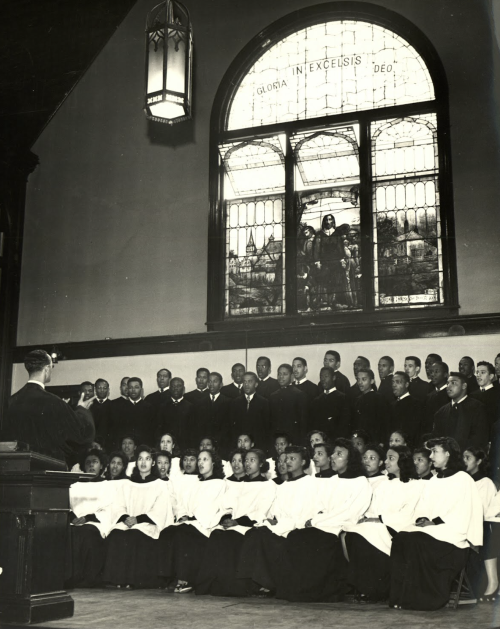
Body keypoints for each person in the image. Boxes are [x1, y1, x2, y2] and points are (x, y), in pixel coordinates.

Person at [389, 436, 483, 610]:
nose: (431, 456)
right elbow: (422, 507)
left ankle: (425, 599)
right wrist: (422, 519)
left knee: (418, 542)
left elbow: (462, 512)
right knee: (401, 538)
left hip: (453, 536)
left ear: (447, 454)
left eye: (435, 452)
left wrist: (434, 522)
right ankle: (400, 598)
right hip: (433, 530)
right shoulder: (434, 480)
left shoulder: (463, 479)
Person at [275, 439, 372, 602]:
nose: (333, 457)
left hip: (344, 524)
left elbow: (350, 511)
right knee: (296, 537)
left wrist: (319, 521)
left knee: (315, 540)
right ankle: (297, 590)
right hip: (324, 523)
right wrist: (316, 518)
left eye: (339, 454)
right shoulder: (333, 481)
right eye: (333, 453)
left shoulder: (360, 482)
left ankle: (319, 591)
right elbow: (320, 505)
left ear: (350, 459)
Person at [236, 446, 323, 597]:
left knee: (262, 536)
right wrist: (273, 520)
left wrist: (292, 523)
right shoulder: (283, 486)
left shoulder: (312, 484)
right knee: (255, 533)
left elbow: (312, 510)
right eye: (286, 459)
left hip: (298, 526)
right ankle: (255, 582)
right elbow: (277, 510)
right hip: (282, 525)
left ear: (303, 462)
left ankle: (267, 583)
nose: (288, 462)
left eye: (292, 459)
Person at [344, 445, 423, 603]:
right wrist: (367, 517)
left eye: (391, 458)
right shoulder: (385, 484)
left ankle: (374, 589)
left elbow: (408, 515)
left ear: (403, 461)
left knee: (363, 533)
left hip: (398, 528)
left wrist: (379, 519)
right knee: (353, 531)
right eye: (386, 457)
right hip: (378, 525)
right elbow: (373, 508)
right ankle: (365, 586)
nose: (386, 461)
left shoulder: (416, 485)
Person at [195, 449, 276, 597]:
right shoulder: (240, 484)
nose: (247, 463)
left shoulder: (267, 485)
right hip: (234, 524)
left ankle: (234, 587)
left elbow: (260, 511)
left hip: (248, 525)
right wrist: (226, 518)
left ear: (261, 464)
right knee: (216, 535)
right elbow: (228, 506)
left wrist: (237, 522)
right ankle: (214, 585)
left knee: (229, 539)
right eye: (246, 460)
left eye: (252, 460)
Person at [2, 349, 95, 467]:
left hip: (18, 468)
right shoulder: (53, 401)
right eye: (51, 367)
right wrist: (81, 409)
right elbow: (79, 435)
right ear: (46, 369)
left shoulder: (11, 401)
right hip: (47, 469)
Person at [103, 446, 174, 588]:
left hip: (147, 524)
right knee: (117, 534)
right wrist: (125, 517)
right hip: (128, 522)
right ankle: (117, 580)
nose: (143, 462)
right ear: (136, 462)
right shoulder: (127, 484)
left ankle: (133, 580)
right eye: (140, 459)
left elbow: (160, 510)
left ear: (153, 463)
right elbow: (118, 505)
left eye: (147, 459)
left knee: (135, 535)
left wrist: (138, 520)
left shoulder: (160, 485)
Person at [167, 449, 226, 593]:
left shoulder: (220, 484)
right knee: (168, 532)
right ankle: (171, 578)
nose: (200, 463)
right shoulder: (196, 483)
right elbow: (185, 504)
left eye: (204, 459)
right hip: (192, 522)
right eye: (199, 460)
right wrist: (184, 516)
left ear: (213, 462)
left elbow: (214, 508)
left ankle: (185, 579)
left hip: (206, 526)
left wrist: (193, 518)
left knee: (183, 533)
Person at [66, 451, 117, 588]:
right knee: (69, 532)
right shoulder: (75, 485)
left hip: (95, 522)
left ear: (101, 466)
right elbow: (67, 506)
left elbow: (108, 508)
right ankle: (71, 577)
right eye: (88, 462)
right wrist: (72, 517)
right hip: (75, 522)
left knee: (88, 533)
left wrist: (88, 518)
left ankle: (88, 578)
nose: (91, 465)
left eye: (95, 462)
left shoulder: (107, 485)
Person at [463, 446, 499, 601]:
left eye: (468, 458)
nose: (463, 461)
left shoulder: (485, 483)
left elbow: (486, 512)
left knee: (486, 527)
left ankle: (493, 581)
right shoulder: (463, 481)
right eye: (462, 458)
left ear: (478, 461)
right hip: (468, 523)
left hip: (484, 524)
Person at [433, 372, 489, 450]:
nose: (448, 386)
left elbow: (480, 439)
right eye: (447, 383)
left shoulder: (477, 408)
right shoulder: (441, 412)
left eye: (453, 383)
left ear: (464, 386)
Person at [107, 377, 155, 448]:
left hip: (143, 446)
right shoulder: (119, 407)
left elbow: (151, 431)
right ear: (127, 389)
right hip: (124, 447)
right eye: (130, 387)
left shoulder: (149, 407)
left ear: (141, 389)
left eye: (136, 387)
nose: (133, 390)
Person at [229, 371, 270, 453]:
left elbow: (266, 428)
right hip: (240, 446)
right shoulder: (235, 402)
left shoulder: (264, 402)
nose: (246, 384)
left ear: (256, 384)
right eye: (244, 381)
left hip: (258, 445)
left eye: (250, 382)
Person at [269, 364, 308, 446]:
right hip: (276, 440)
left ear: (292, 376)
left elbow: (303, 423)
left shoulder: (299, 395)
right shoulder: (273, 396)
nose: (281, 377)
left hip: (293, 439)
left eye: (285, 374)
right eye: (279, 374)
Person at [195, 371, 231, 454]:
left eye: (215, 381)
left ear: (221, 385)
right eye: (210, 381)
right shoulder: (200, 402)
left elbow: (228, 426)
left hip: (222, 445)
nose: (211, 384)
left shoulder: (228, 402)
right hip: (204, 445)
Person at [309, 367, 350, 439]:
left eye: (326, 376)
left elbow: (345, 425)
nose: (323, 379)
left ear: (333, 377)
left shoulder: (343, 398)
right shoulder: (316, 400)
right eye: (321, 376)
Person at [156, 377, 196, 449]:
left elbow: (192, 431)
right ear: (170, 388)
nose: (176, 388)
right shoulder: (162, 406)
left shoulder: (190, 407)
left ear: (183, 389)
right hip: (166, 446)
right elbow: (159, 429)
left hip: (184, 446)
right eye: (173, 386)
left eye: (179, 386)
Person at [352, 368, 389, 444]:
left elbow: (383, 423)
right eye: (358, 379)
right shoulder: (357, 399)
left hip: (374, 440)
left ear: (372, 381)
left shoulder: (379, 398)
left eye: (364, 379)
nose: (360, 382)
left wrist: (381, 442)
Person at [390, 371, 424, 444]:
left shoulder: (416, 404)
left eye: (398, 382)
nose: (394, 385)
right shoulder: (392, 405)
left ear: (406, 384)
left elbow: (414, 431)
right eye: (393, 382)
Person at [471, 361, 500, 432]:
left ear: (491, 376)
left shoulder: (497, 394)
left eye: (482, 372)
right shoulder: (471, 395)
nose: (478, 375)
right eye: (477, 372)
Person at [423, 361, 450, 434]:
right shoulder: (429, 396)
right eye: (431, 372)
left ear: (445, 374)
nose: (432, 375)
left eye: (436, 372)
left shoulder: (450, 394)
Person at [89, 378, 111, 446]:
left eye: (104, 388)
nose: (102, 390)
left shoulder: (113, 405)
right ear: (95, 389)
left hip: (108, 442)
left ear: (108, 389)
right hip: (91, 442)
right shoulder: (90, 405)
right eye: (99, 388)